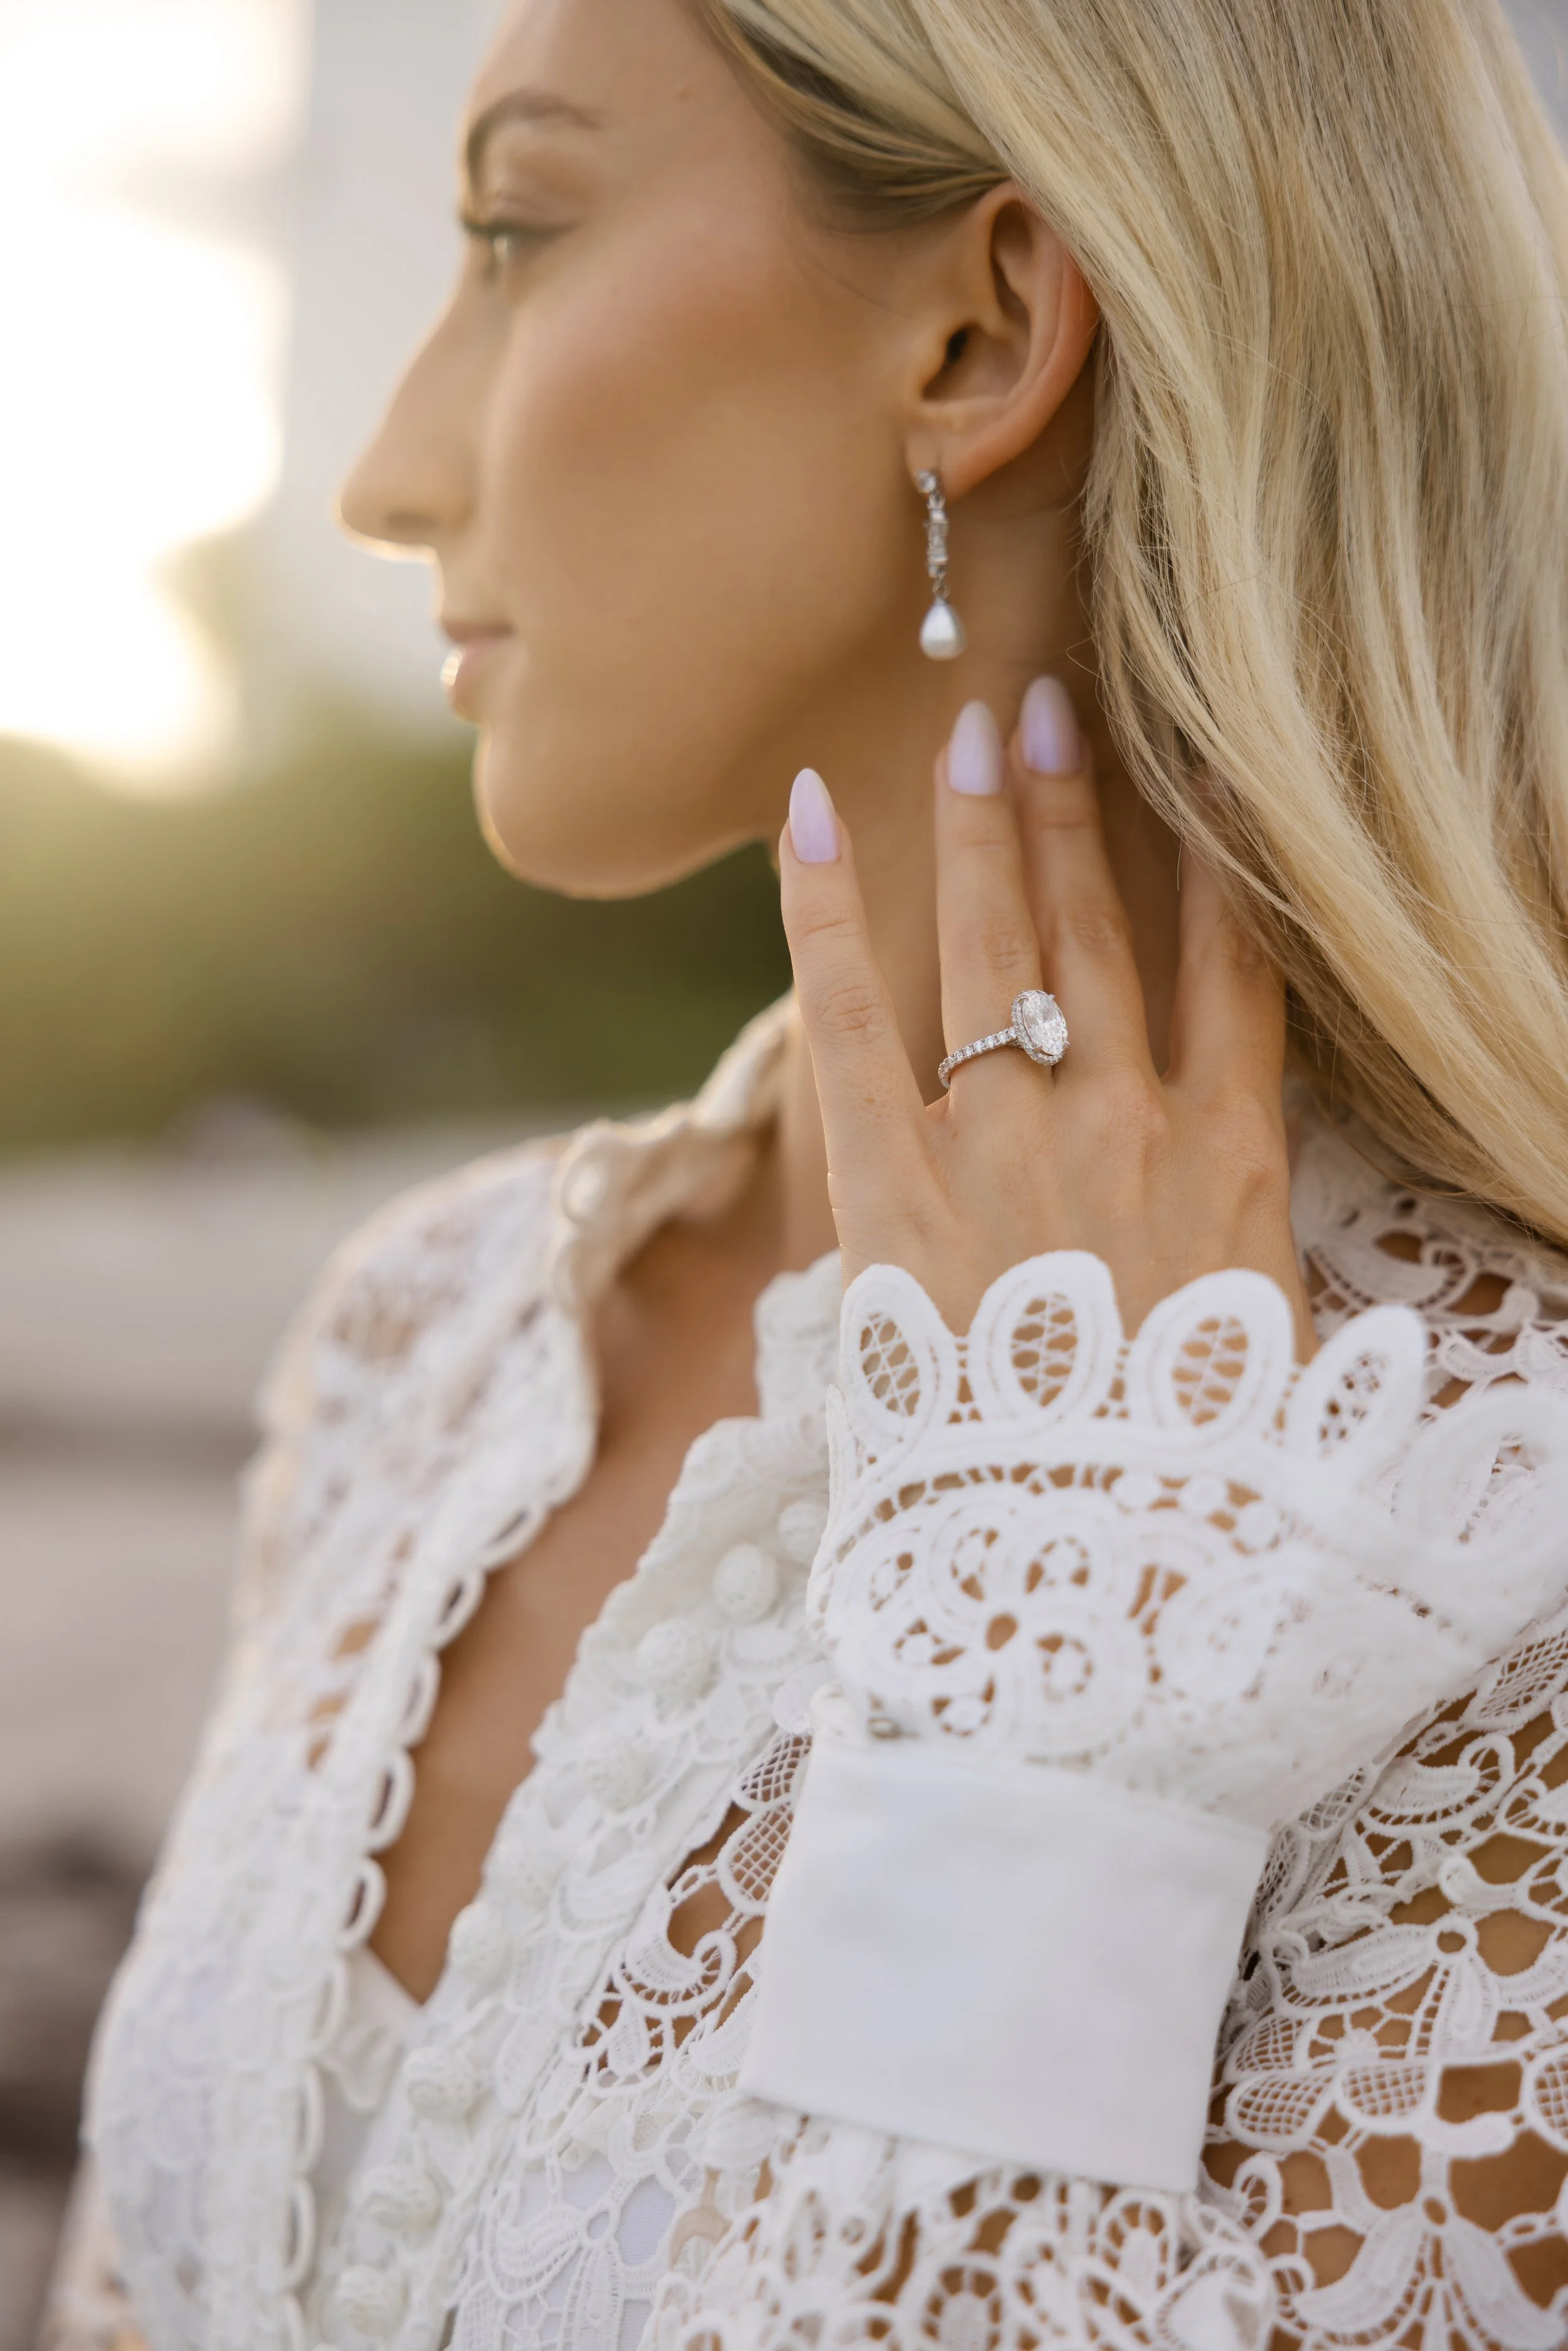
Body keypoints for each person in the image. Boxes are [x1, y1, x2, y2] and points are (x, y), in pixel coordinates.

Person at [41, 1, 1568, 2345]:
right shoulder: (428, 1331)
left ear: (975, 332)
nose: (381, 469)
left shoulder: (1493, 1516)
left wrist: (1053, 1659)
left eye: (514, 231)